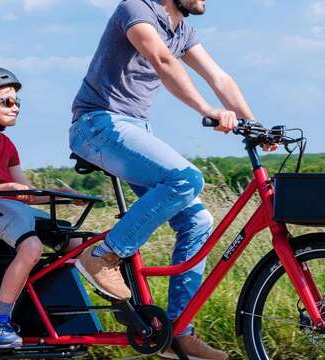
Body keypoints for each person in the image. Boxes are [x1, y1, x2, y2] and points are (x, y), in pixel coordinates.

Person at [69, 1, 267, 359]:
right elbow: (161, 61)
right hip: (97, 124)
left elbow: (219, 77)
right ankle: (103, 255)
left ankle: (178, 332)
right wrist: (208, 110)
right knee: (186, 178)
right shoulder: (136, 9)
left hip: (134, 129)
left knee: (198, 220)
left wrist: (254, 125)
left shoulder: (183, 31)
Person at [0, 67, 81, 348]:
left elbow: (27, 194)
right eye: (7, 102)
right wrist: (9, 190)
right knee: (31, 247)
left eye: (17, 103)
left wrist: (59, 194)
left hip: (11, 205)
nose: (15, 108)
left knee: (75, 241)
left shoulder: (8, 144)